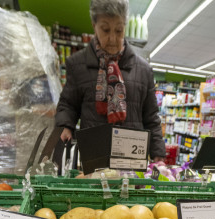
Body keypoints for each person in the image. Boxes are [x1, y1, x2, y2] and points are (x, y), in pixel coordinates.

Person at [55, 0, 166, 161]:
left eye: (119, 30)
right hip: (94, 156)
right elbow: (68, 104)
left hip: (131, 160)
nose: (113, 38)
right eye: (105, 30)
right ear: (94, 26)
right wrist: (65, 126)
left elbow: (151, 117)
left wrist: (158, 154)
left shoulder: (143, 70)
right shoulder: (78, 64)